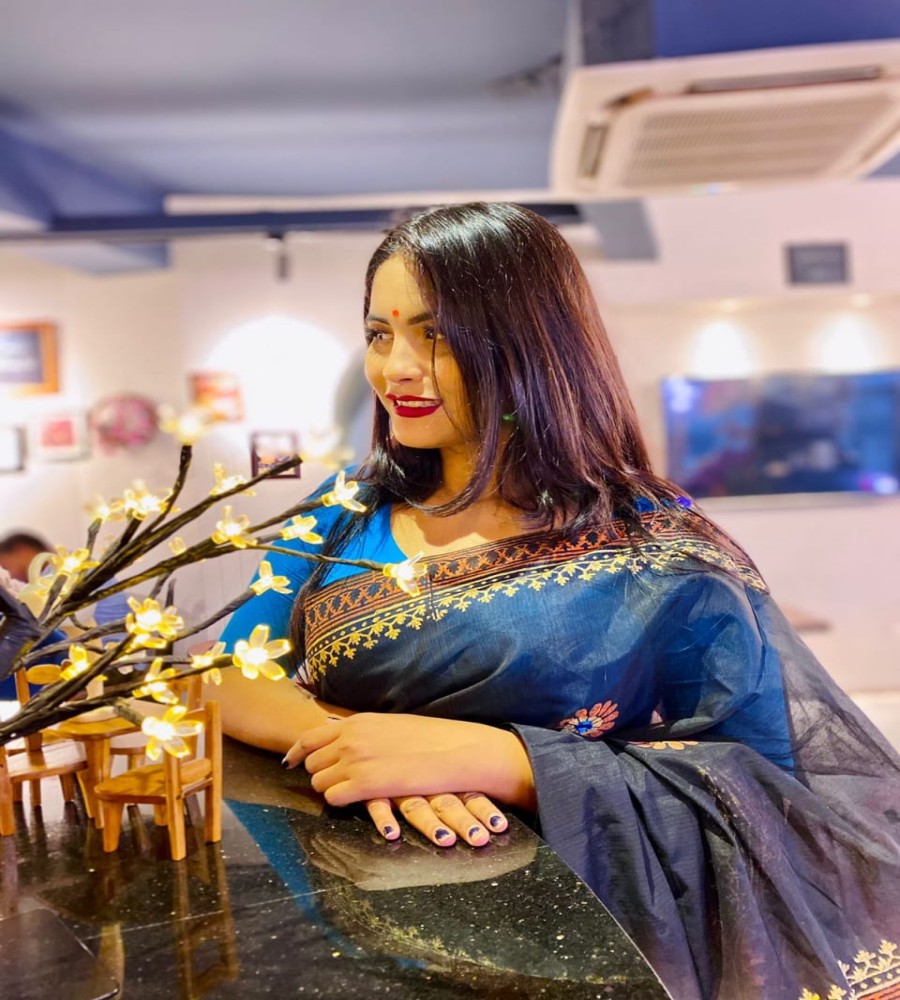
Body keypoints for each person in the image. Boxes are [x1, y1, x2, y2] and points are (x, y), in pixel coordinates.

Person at [217, 203, 900, 1000]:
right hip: (357, 927)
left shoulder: (650, 541)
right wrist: (367, 747)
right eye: (379, 334)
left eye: (435, 336)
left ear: (528, 344)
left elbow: (775, 798)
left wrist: (508, 762)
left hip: (582, 939)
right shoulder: (345, 510)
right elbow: (224, 675)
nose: (395, 367)